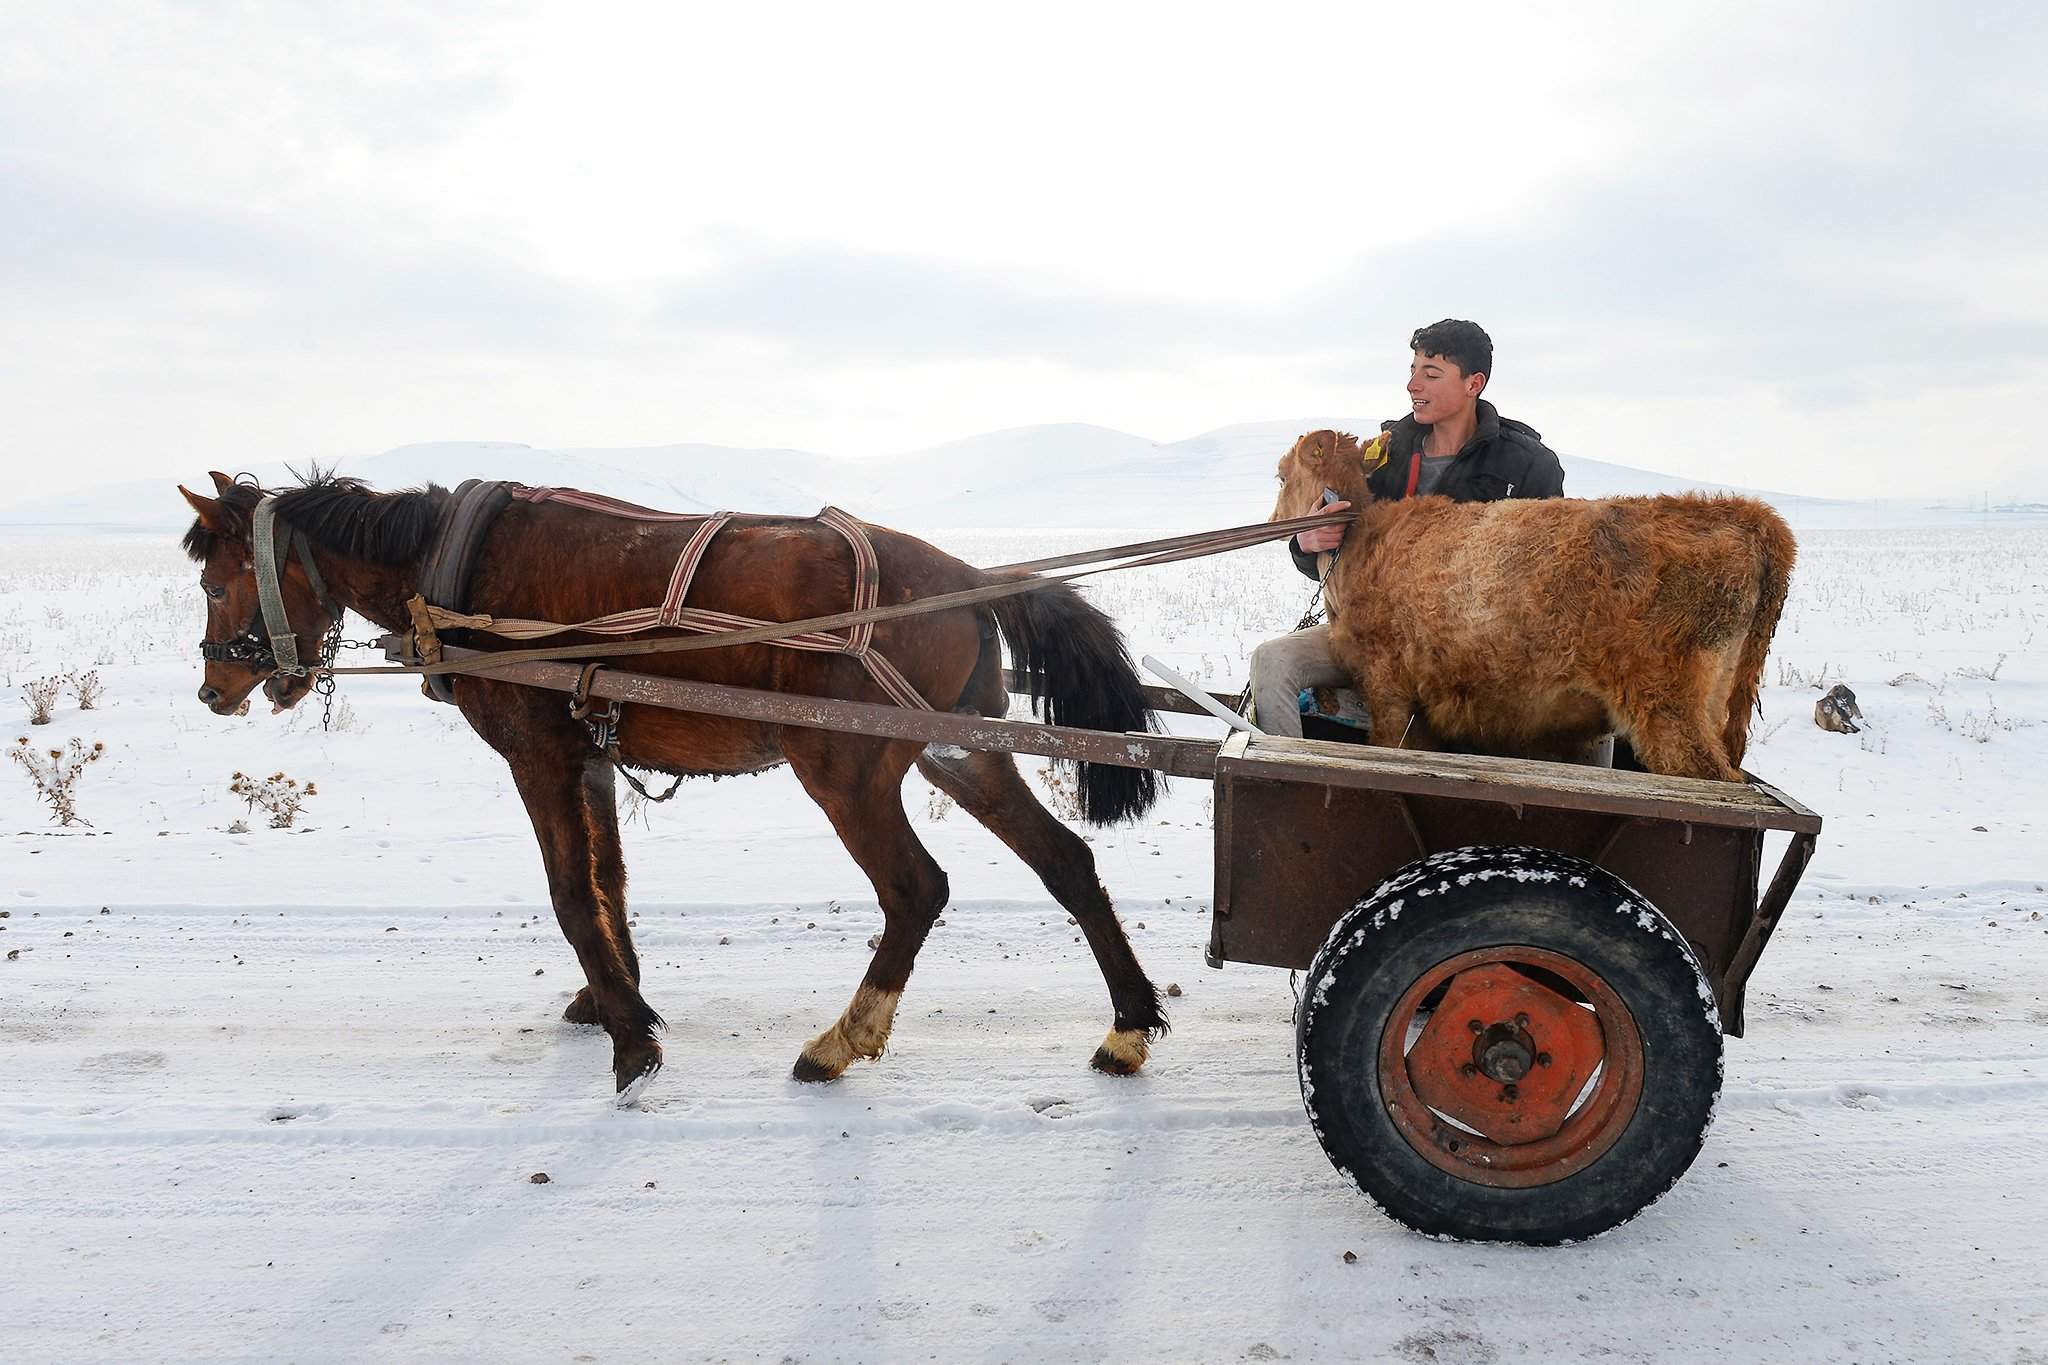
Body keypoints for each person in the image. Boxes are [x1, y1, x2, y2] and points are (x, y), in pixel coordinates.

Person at [1249, 319, 1567, 737]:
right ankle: (1286, 784)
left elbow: (1548, 570)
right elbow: (1342, 561)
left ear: (1474, 383)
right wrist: (1307, 542)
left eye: (1431, 374)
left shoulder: (1527, 464)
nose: (1413, 385)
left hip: (1472, 644)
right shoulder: (1385, 452)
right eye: (1413, 370)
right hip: (1374, 636)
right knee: (1272, 662)